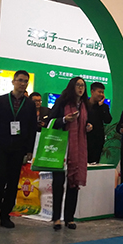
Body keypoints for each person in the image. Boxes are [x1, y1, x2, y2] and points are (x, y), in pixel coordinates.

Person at [0, 70, 37, 229]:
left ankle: (5, 215)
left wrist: (29, 149)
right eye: (20, 80)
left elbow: (32, 128)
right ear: (13, 82)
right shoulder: (0, 101)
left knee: (12, 183)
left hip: (18, 149)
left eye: (25, 81)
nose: (22, 84)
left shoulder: (30, 105)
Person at [50, 77, 92, 230]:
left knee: (74, 183)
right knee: (58, 183)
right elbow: (50, 122)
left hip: (78, 149)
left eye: (83, 85)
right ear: (72, 86)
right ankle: (56, 218)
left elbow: (86, 122)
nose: (80, 88)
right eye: (78, 85)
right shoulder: (62, 102)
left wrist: (88, 126)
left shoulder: (85, 105)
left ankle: (69, 218)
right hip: (62, 148)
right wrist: (64, 119)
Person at [86, 82, 112, 163]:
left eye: (102, 92)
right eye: (99, 92)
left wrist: (101, 106)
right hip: (85, 138)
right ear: (92, 91)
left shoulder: (104, 107)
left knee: (95, 162)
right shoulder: (84, 104)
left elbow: (108, 120)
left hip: (97, 140)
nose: (101, 94)